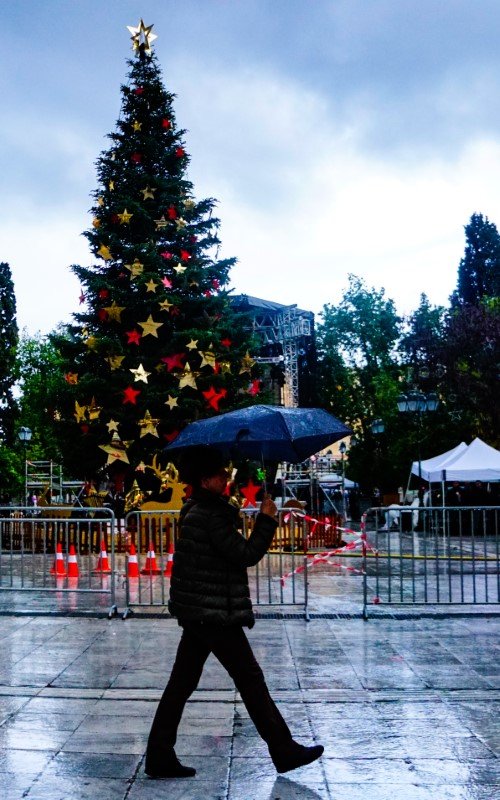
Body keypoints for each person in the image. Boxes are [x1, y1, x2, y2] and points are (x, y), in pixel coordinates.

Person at [144, 445, 324, 779]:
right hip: (213, 613)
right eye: (219, 473)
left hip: (201, 610)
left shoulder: (202, 510)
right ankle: (283, 749)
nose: (226, 476)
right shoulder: (210, 515)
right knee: (250, 679)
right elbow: (245, 554)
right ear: (204, 480)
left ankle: (159, 754)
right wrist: (267, 521)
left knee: (182, 683)